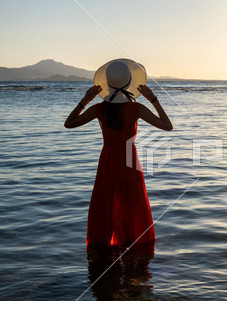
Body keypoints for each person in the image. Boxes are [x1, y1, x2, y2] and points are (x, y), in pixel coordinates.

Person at [64, 58, 172, 248]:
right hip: (129, 159)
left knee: (104, 204)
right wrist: (153, 99)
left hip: (107, 160)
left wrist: (85, 100)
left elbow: (69, 123)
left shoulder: (98, 109)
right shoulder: (136, 108)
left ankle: (101, 249)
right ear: (130, 81)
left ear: (107, 83)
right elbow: (167, 126)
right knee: (133, 206)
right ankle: (135, 250)